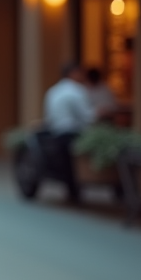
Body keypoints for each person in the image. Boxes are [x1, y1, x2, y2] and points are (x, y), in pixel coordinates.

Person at [43, 62, 96, 200]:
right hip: (73, 132)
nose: (82, 76)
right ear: (72, 73)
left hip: (57, 133)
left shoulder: (53, 91)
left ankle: (71, 190)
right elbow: (87, 116)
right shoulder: (77, 91)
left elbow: (49, 116)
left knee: (67, 164)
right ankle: (76, 189)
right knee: (74, 165)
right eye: (79, 73)